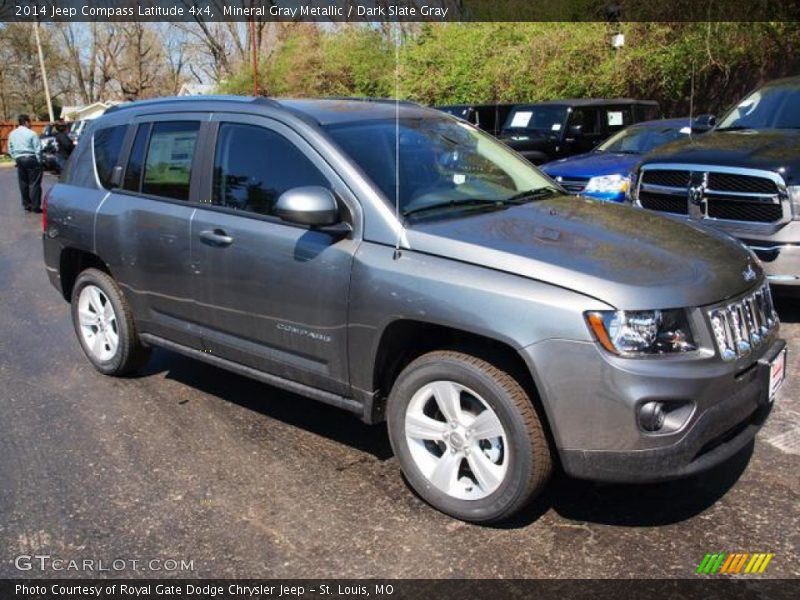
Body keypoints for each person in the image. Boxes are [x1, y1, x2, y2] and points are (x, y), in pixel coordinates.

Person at [8, 114, 43, 213]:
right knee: (34, 183)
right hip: (31, 158)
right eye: (30, 122)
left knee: (23, 183)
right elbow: (38, 149)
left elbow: (10, 148)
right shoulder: (32, 133)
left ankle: (27, 205)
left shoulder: (12, 134)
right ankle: (35, 206)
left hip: (19, 159)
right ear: (26, 122)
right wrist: (39, 161)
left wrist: (15, 157)